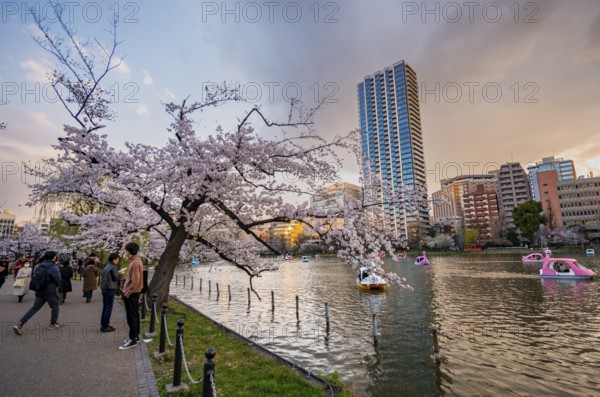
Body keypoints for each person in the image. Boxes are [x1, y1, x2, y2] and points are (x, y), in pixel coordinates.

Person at [13, 251, 62, 335]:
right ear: (54, 257)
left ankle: (20, 324)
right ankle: (53, 324)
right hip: (50, 290)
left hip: (39, 290)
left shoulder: (39, 266)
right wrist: (56, 286)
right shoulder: (54, 267)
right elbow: (58, 280)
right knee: (55, 305)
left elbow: (34, 276)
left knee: (34, 308)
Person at [120, 242, 144, 350]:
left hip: (132, 293)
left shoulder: (135, 263)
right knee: (134, 315)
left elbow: (135, 282)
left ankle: (132, 338)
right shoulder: (136, 261)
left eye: (125, 250)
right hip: (134, 293)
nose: (125, 252)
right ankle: (136, 336)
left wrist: (127, 292)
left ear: (129, 251)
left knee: (131, 316)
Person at [100, 253, 122, 333]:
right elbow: (115, 278)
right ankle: (105, 326)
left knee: (105, 307)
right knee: (108, 307)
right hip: (110, 288)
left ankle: (104, 324)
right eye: (117, 259)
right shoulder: (113, 267)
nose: (118, 260)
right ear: (114, 259)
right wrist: (120, 274)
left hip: (104, 288)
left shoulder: (107, 266)